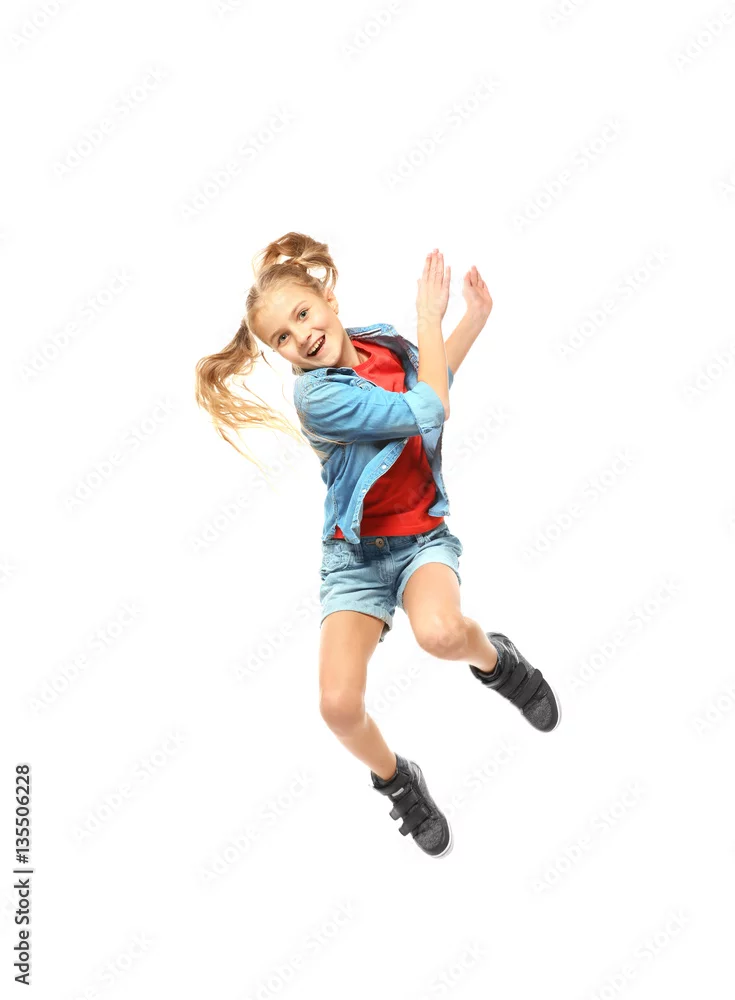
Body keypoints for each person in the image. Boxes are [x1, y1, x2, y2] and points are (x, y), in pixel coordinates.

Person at [195, 231, 561, 859]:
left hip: (419, 539)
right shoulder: (319, 396)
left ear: (328, 300)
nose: (301, 336)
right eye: (282, 337)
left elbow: (430, 383)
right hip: (356, 559)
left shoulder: (382, 342)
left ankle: (499, 663)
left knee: (442, 634)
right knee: (338, 707)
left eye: (302, 313)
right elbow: (431, 410)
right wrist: (429, 315)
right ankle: (398, 780)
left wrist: (471, 319)